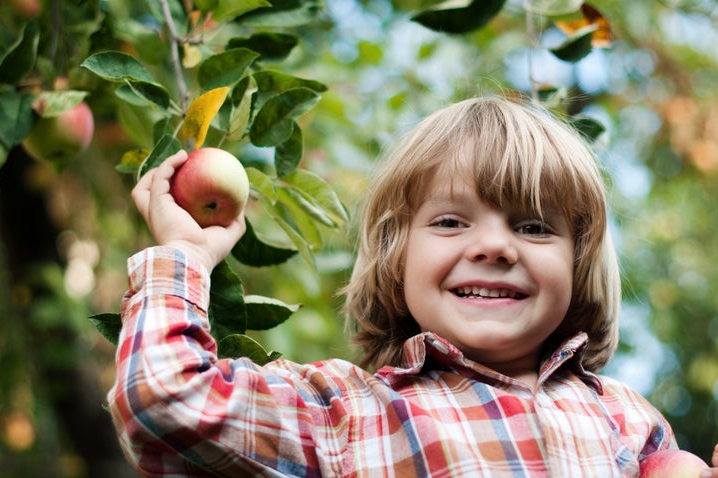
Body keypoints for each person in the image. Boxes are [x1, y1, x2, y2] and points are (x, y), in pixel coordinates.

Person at [109, 96, 718, 477]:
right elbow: (165, 401)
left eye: (533, 226)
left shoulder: (630, 422)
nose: (494, 246)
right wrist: (186, 254)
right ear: (397, 258)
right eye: (450, 222)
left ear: (579, 262)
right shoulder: (342, 413)